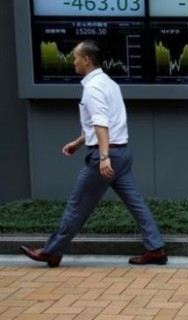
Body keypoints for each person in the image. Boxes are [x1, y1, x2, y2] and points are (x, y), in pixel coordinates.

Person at [20, 40, 167, 268]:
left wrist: (104, 156)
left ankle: (52, 252)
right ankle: (156, 249)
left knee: (77, 205)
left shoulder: (92, 88)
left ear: (86, 59)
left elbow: (101, 124)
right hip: (122, 153)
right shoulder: (110, 83)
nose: (73, 62)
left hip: (107, 156)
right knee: (136, 203)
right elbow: (102, 122)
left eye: (75, 57)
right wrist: (79, 142)